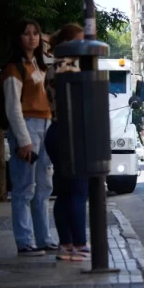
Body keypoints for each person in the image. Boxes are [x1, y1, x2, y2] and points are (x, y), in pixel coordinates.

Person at [2, 18, 56, 256]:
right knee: (25, 188)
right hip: (26, 127)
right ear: (18, 37)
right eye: (27, 33)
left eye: (36, 33)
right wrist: (24, 140)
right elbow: (13, 107)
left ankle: (44, 238)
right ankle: (25, 241)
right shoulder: (14, 69)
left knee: (44, 187)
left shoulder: (40, 66)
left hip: (45, 125)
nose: (33, 37)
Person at [44, 23, 89, 261]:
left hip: (55, 130)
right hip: (70, 133)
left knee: (64, 192)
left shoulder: (53, 68)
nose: (85, 46)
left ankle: (67, 244)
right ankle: (79, 244)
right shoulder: (69, 67)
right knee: (77, 190)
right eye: (81, 41)